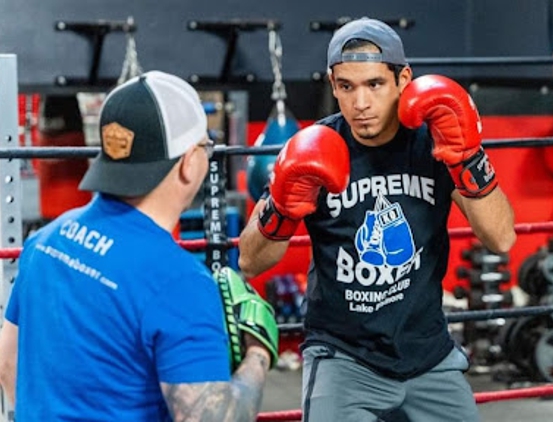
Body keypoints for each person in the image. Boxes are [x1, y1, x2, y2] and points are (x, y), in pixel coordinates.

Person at [238, 17, 516, 422]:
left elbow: (502, 238)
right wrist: (281, 206)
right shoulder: (316, 148)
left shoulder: (434, 141)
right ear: (333, 85)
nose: (360, 104)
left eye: (374, 85)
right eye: (347, 87)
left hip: (427, 355)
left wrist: (467, 159)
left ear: (403, 79)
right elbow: (250, 260)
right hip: (343, 357)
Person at [0, 71, 277, 421]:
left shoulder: (44, 243)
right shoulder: (180, 282)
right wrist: (258, 353)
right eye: (206, 147)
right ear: (190, 163)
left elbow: (9, 365)